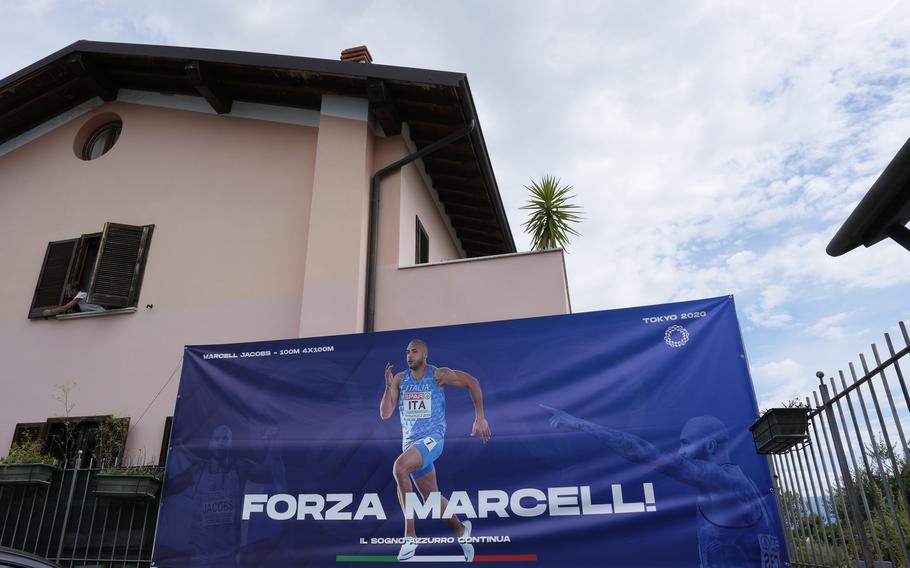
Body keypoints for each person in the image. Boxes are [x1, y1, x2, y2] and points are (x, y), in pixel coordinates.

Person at [543, 406, 780, 568]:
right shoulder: (741, 482)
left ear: (709, 445)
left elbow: (644, 452)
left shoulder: (721, 480)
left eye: (685, 444)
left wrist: (579, 424)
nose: (681, 452)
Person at [380, 339, 491, 562]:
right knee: (432, 499)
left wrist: (480, 417)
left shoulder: (438, 375)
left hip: (432, 440)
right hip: (411, 445)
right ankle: (462, 531)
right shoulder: (401, 379)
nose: (409, 355)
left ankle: (410, 536)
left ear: (425, 355)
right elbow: (385, 414)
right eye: (407, 352)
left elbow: (473, 382)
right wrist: (388, 386)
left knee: (399, 467)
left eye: (414, 351)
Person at [165, 424, 285, 568]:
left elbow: (268, 474)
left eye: (225, 438)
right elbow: (169, 487)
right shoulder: (198, 470)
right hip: (200, 553)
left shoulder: (240, 467)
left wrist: (273, 448)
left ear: (231, 443)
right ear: (210, 443)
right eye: (217, 438)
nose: (221, 442)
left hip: (228, 553)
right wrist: (168, 454)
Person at [41, 284, 105, 316]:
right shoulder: (79, 300)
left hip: (101, 314)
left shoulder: (81, 295)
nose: (67, 293)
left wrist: (50, 312)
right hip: (97, 315)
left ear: (74, 290)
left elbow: (64, 308)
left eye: (68, 291)